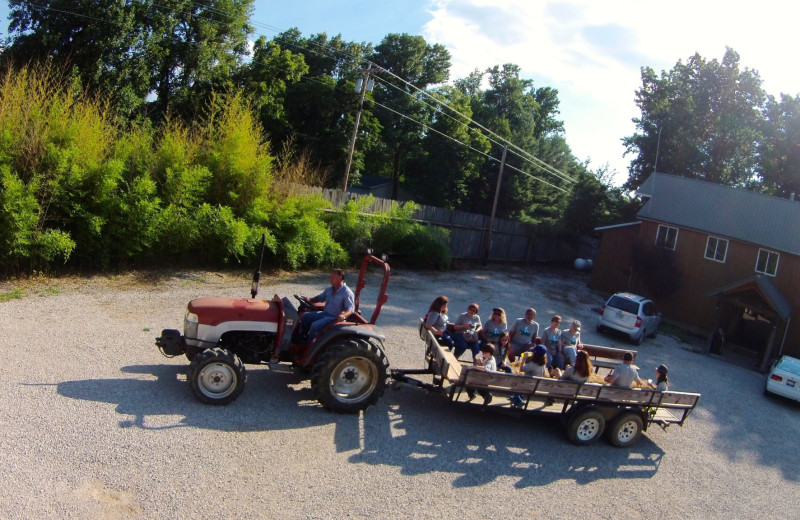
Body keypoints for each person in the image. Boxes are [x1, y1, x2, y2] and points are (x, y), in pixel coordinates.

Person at [297, 269, 355, 343]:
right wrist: (309, 299)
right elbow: (319, 298)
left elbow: (350, 308)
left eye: (333, 277)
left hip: (334, 318)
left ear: (340, 277)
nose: (330, 279)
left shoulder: (347, 292)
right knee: (305, 316)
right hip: (325, 314)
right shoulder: (329, 289)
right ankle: (301, 339)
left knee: (315, 325)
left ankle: (310, 345)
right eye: (330, 277)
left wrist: (343, 315)